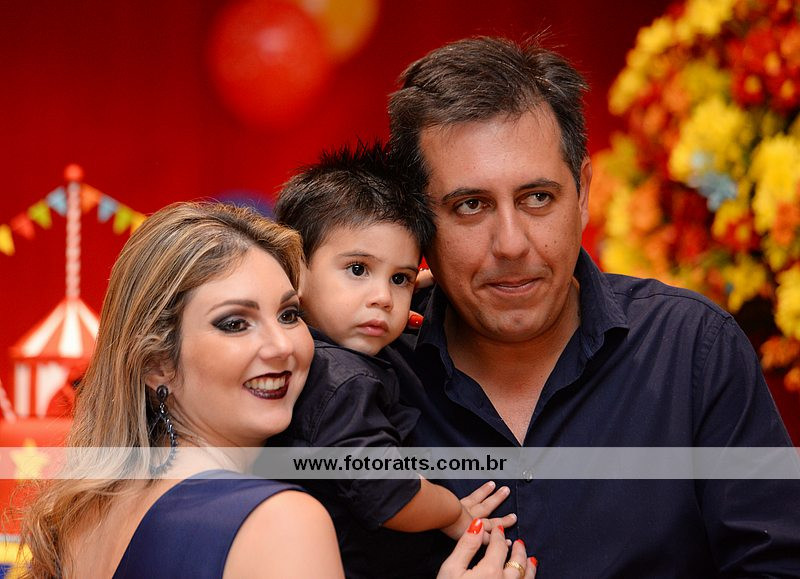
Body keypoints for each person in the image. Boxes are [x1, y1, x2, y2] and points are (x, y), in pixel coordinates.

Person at [386, 36, 800, 577]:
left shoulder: (693, 350)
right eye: (470, 205)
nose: (511, 244)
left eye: (537, 198)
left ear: (582, 193)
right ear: (415, 219)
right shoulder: (367, 372)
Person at [18, 202, 534, 579]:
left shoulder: (89, 512)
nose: (282, 345)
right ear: (157, 363)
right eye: (234, 324)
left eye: (289, 314)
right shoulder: (279, 521)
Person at [271, 142, 523, 578]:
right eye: (358, 269)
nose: (383, 298)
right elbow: (389, 493)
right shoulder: (341, 380)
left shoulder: (309, 355)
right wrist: (451, 511)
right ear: (295, 270)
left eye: (400, 278)